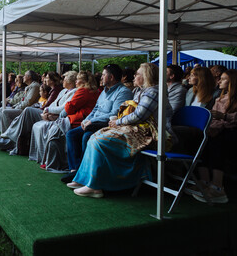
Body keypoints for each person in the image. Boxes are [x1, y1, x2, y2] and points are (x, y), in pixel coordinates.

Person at [67, 63, 175, 198]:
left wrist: (117, 122)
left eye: (138, 74)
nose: (134, 76)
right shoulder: (141, 91)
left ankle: (95, 186)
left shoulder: (153, 92)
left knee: (98, 140)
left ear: (146, 76)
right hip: (139, 129)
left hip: (153, 134)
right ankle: (85, 179)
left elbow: (138, 115)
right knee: (95, 137)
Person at [62, 64, 133, 183]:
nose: (101, 77)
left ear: (111, 77)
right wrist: (86, 121)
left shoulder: (123, 92)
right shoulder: (104, 92)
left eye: (104, 75)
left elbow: (115, 113)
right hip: (93, 123)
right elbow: (95, 109)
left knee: (86, 136)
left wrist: (91, 121)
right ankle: (75, 171)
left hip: (107, 124)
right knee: (71, 134)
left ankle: (86, 174)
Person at [31, 71, 99, 172]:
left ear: (84, 81)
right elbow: (59, 105)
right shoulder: (88, 91)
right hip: (78, 118)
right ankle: (50, 159)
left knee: (56, 130)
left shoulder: (83, 91)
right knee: (44, 125)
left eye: (78, 79)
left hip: (78, 120)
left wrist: (50, 112)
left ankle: (67, 166)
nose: (76, 81)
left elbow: (69, 107)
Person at [193, 70, 237, 204]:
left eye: (223, 79)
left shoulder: (231, 99)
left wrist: (223, 117)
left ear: (232, 82)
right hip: (219, 130)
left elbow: (228, 119)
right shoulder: (219, 98)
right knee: (202, 141)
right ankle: (205, 182)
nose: (218, 81)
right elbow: (214, 118)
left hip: (231, 132)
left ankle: (217, 187)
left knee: (218, 142)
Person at [0, 72, 62, 155]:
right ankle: (6, 135)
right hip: (33, 109)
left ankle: (9, 136)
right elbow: (23, 100)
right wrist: (15, 106)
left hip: (33, 110)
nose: (44, 79)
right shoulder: (52, 90)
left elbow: (29, 102)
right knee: (2, 110)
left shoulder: (38, 87)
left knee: (8, 111)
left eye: (47, 78)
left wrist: (16, 106)